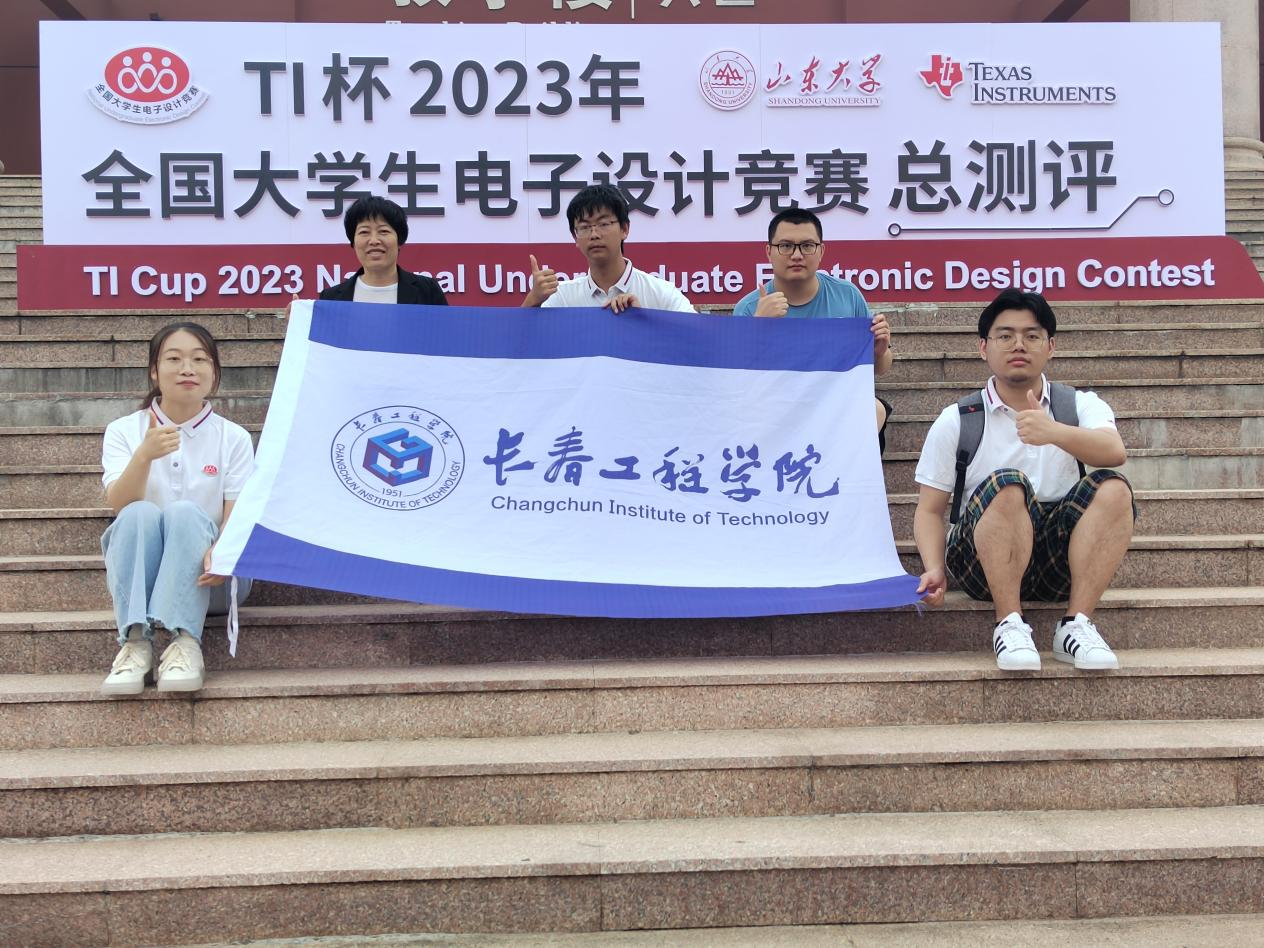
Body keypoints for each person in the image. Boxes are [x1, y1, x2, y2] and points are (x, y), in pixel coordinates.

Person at [912, 288, 1135, 672]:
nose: (1019, 344)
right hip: (980, 560)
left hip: (1058, 559)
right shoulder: (958, 418)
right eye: (1005, 335)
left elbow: (1114, 451)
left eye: (1032, 335)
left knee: (1114, 488)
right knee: (1008, 485)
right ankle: (1009, 624)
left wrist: (1054, 432)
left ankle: (1076, 625)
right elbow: (929, 510)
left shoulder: (1078, 404)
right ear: (983, 347)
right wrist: (934, 567)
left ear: (1051, 346)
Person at [99, 323, 255, 695]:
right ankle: (136, 643)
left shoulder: (233, 437)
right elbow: (119, 504)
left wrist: (222, 552)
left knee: (184, 513)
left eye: (199, 360)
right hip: (142, 585)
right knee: (137, 513)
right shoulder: (124, 431)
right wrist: (145, 455)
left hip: (212, 580)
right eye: (174, 359)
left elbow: (238, 514)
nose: (188, 369)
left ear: (214, 372)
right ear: (154, 371)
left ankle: (186, 643)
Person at [732, 208, 894, 451]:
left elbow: (881, 368)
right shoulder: (749, 308)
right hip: (775, 410)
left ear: (821, 251)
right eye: (785, 246)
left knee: (875, 410)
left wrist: (879, 352)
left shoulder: (847, 296)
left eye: (807, 246)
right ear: (769, 251)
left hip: (834, 405)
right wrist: (758, 327)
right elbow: (740, 382)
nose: (797, 255)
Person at [522, 184, 694, 313]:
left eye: (603, 224)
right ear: (575, 237)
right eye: (584, 227)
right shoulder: (563, 297)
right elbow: (519, 340)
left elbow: (696, 337)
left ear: (624, 229)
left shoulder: (661, 293)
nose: (594, 234)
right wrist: (533, 300)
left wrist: (643, 320)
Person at [319, 195, 448, 305]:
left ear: (399, 240)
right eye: (364, 232)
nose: (374, 241)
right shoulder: (331, 298)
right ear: (353, 242)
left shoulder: (427, 291)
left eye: (383, 231)